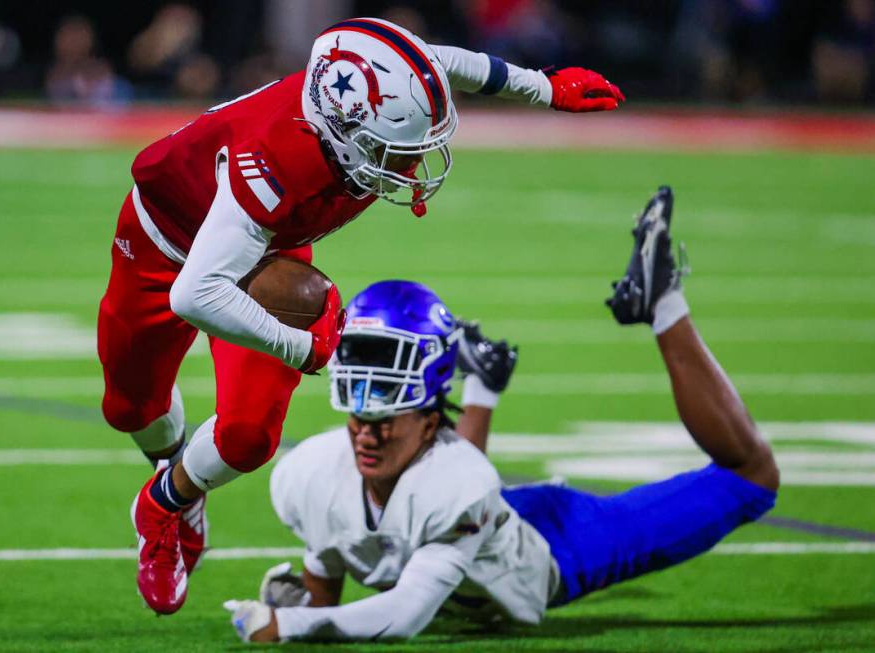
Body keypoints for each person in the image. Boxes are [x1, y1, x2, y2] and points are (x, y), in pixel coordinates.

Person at [98, 16, 624, 615]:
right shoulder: (274, 161)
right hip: (165, 244)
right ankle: (173, 469)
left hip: (263, 250)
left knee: (248, 437)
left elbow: (440, 59)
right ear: (342, 129)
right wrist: (301, 349)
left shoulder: (362, 80)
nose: (407, 164)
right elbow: (195, 294)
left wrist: (542, 87)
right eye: (391, 149)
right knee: (129, 408)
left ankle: (166, 501)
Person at [221, 186, 780, 642]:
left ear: (431, 417)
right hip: (482, 515)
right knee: (450, 505)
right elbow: (335, 559)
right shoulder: (317, 472)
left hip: (556, 542)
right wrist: (306, 602)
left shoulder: (456, 482)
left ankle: (662, 303)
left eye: (388, 418)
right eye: (360, 420)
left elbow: (405, 615)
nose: (368, 433)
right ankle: (485, 377)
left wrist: (290, 622)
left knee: (752, 478)